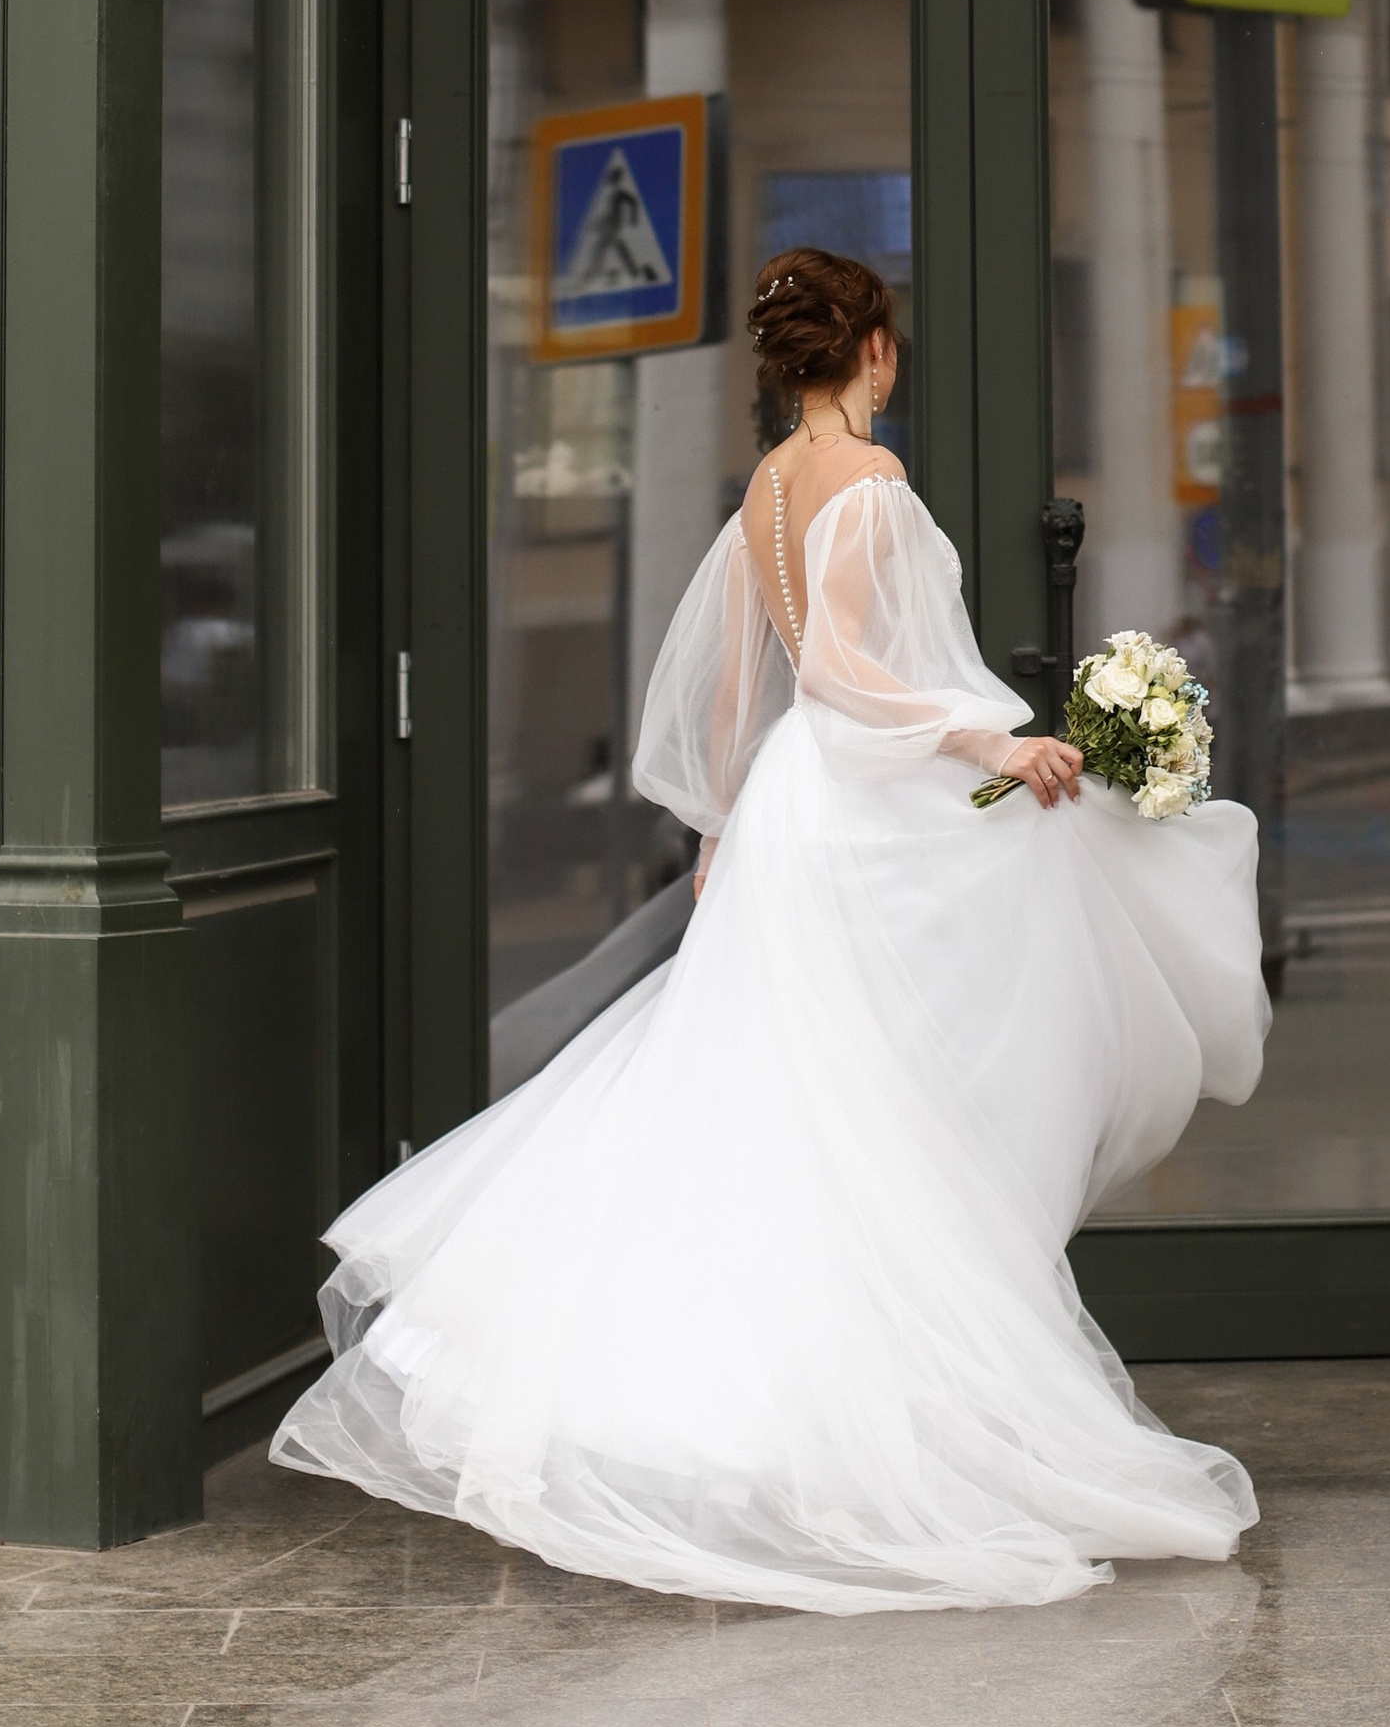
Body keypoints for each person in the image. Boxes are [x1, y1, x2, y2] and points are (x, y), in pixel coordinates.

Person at [271, 244, 1270, 1614]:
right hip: (860, 803)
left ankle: (682, 1412)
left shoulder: (764, 488)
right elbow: (856, 672)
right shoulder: (869, 481)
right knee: (868, 1112)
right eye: (890, 338)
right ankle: (835, 1428)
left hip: (796, 805)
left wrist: (725, 827)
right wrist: (990, 733)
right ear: (866, 349)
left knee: (767, 1102)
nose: (894, 358)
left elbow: (754, 674)